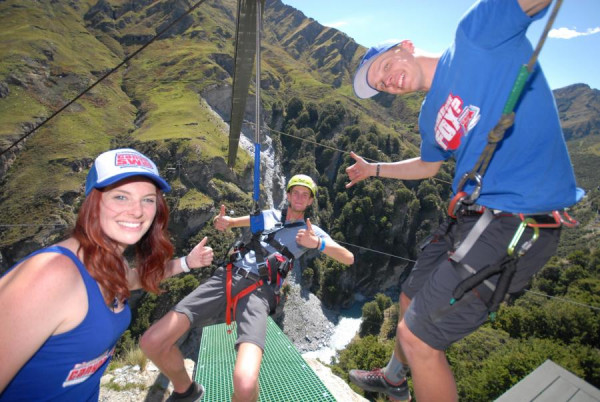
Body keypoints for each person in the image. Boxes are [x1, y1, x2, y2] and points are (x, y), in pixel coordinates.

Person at [344, 1, 583, 401]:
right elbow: (428, 166)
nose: (389, 81)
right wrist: (375, 169)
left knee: (418, 337)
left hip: (513, 219)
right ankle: (395, 378)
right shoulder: (428, 115)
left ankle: (409, 367)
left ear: (404, 45)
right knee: (408, 296)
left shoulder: (476, 36)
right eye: (381, 85)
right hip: (467, 217)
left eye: (384, 67)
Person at [0, 148, 214, 401]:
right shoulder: (50, 275)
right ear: (93, 202)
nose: (137, 211)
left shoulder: (110, 263)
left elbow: (135, 279)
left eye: (148, 199)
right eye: (121, 197)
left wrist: (186, 263)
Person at [140, 174, 354, 402]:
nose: (300, 197)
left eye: (305, 194)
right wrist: (221, 222)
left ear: (310, 201)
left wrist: (318, 244)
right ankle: (186, 390)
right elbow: (230, 223)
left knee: (245, 384)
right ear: (289, 195)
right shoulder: (267, 216)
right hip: (227, 277)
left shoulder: (311, 232)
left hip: (260, 291)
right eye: (296, 192)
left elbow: (348, 257)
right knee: (152, 342)